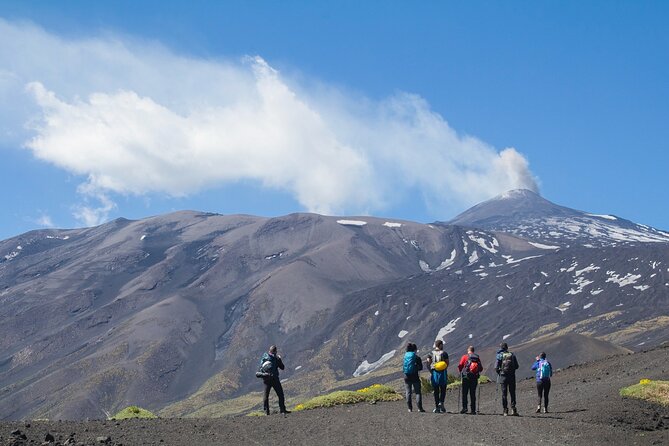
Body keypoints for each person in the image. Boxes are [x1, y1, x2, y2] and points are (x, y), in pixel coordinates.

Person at [259, 345, 290, 415]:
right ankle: (282, 410)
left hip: (266, 379)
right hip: (274, 379)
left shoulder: (264, 357)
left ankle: (266, 412)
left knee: (266, 396)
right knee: (280, 394)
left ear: (269, 351)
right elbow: (282, 367)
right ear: (275, 351)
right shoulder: (276, 358)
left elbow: (261, 368)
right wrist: (279, 359)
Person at [494, 342, 519, 416]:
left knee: (504, 394)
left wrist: (499, 372)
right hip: (511, 376)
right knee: (512, 392)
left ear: (501, 348)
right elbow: (517, 366)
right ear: (507, 348)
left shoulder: (500, 355)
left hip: (503, 376)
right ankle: (513, 409)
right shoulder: (512, 355)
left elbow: (496, 367)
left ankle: (505, 410)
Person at [457, 345, 483, 415]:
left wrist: (461, 372)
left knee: (464, 393)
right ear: (473, 351)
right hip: (474, 378)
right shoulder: (477, 357)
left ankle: (464, 408)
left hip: (466, 377)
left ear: (468, 350)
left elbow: (460, 366)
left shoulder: (465, 357)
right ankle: (473, 410)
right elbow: (481, 368)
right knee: (472, 393)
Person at [426, 339, 449, 413]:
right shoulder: (444, 353)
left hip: (434, 373)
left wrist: (431, 371)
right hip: (442, 373)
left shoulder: (430, 354)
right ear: (440, 345)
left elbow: (428, 363)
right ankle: (441, 402)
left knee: (436, 390)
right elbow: (447, 363)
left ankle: (437, 407)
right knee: (443, 389)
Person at [403, 343, 425, 412]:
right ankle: (419, 408)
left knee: (408, 392)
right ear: (414, 350)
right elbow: (421, 368)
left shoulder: (405, 357)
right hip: (415, 376)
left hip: (406, 376)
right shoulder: (417, 357)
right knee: (417, 392)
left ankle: (409, 408)